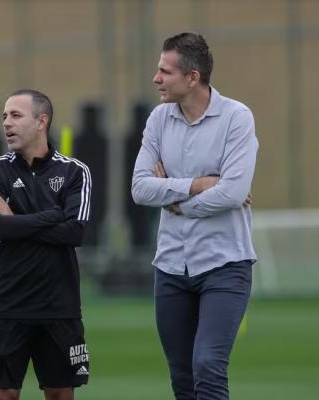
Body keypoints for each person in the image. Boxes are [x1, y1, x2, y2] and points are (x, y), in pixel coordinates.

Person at [131, 32, 258, 399]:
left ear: (193, 77)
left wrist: (172, 197)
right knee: (182, 377)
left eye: (164, 72)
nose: (156, 79)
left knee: (208, 366)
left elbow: (234, 193)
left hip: (226, 266)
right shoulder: (158, 119)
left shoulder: (237, 118)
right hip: (170, 268)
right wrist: (199, 185)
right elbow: (140, 189)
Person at [0, 89, 92, 400]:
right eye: (4, 116)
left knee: (60, 393)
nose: (6, 123)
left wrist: (17, 217)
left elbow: (75, 233)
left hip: (59, 304)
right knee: (4, 394)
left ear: (42, 121)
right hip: (7, 304)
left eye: (15, 115)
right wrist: (51, 215)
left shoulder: (74, 171)